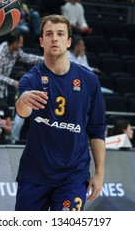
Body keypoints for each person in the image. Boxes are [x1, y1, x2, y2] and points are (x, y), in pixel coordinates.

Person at [14, 14, 106, 211]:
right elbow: (22, 112)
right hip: (35, 174)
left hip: (73, 175)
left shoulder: (89, 80)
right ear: (41, 41)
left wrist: (99, 172)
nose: (54, 38)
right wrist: (23, 101)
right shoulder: (30, 80)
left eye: (60, 34)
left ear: (69, 41)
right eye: (49, 34)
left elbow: (97, 129)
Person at [0, 29, 43, 104]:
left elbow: (27, 58)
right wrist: (14, 82)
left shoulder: (16, 51)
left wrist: (45, 59)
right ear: (15, 43)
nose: (22, 45)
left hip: (2, 89)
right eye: (21, 43)